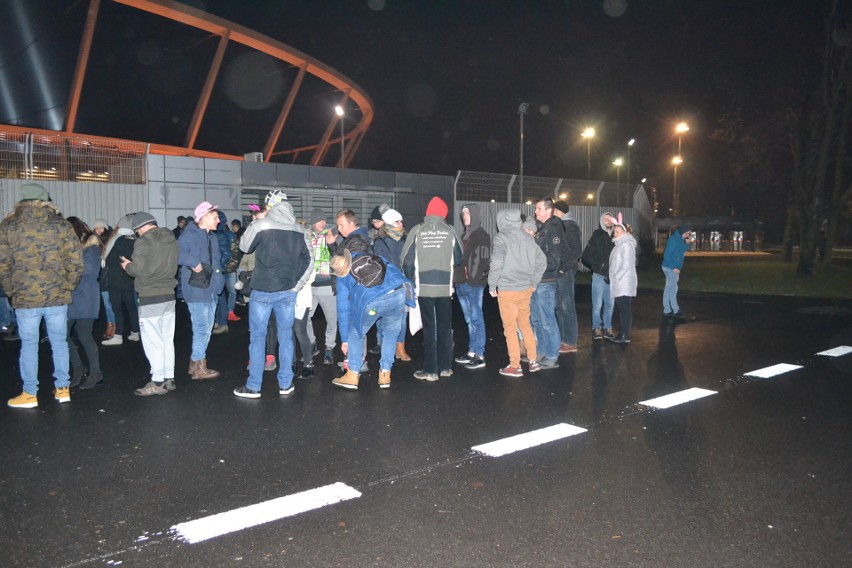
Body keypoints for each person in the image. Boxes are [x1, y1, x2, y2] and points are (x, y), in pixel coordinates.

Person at [0, 183, 82, 408]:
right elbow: (75, 260)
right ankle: (63, 389)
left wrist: (10, 290)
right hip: (57, 295)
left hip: (25, 298)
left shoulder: (8, 226)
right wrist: (68, 285)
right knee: (59, 342)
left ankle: (30, 394)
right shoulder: (61, 225)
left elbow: (3, 263)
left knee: (29, 344)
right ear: (45, 200)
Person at [233, 192, 313, 399]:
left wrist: (255, 222)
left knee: (258, 338)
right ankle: (285, 384)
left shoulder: (262, 225)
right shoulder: (300, 229)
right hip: (287, 292)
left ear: (269, 206)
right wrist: (296, 286)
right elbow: (308, 262)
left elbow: (243, 246)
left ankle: (254, 387)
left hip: (262, 291)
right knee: (286, 337)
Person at [330, 249, 414, 390]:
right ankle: (385, 375)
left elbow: (343, 309)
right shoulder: (369, 256)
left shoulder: (342, 278)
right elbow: (393, 269)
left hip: (373, 302)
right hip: (398, 293)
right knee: (390, 333)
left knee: (356, 333)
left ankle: (352, 375)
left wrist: (345, 340)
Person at [401, 196, 462, 381]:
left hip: (424, 288)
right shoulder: (451, 230)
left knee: (429, 328)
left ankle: (430, 371)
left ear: (428, 212)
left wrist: (412, 281)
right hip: (444, 288)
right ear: (444, 213)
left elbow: (406, 261)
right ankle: (445, 368)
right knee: (444, 327)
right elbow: (459, 258)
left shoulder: (417, 230)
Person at [121, 212, 180, 395]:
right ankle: (169, 378)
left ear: (140, 228)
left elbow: (136, 269)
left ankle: (157, 382)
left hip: (149, 297)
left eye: (137, 230)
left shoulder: (143, 241)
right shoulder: (171, 239)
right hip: (169, 295)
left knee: (153, 342)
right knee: (167, 340)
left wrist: (127, 266)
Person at [488, 209, 546, 377]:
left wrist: (492, 285)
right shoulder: (528, 238)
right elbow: (541, 261)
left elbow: (497, 261)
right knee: (525, 325)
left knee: (510, 328)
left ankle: (515, 365)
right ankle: (533, 361)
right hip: (525, 289)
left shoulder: (502, 237)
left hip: (507, 290)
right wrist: (534, 281)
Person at [178, 201, 224, 380]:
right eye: (215, 217)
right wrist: (193, 262)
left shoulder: (212, 237)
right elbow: (177, 254)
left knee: (206, 328)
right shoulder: (189, 235)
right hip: (197, 289)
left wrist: (219, 283)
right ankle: (198, 366)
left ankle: (194, 363)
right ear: (204, 217)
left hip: (211, 289)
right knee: (202, 329)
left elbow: (216, 263)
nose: (218, 220)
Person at [65, 217, 103, 390]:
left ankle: (95, 373)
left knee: (85, 335)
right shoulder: (70, 247)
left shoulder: (91, 245)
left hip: (86, 296)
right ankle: (79, 368)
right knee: (62, 336)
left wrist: (69, 267)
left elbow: (91, 271)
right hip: (72, 296)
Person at [453, 203, 490, 370]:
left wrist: (473, 281)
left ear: (474, 214)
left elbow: (483, 261)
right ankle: (472, 351)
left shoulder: (481, 235)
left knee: (476, 319)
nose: (464, 216)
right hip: (461, 283)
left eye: (467, 213)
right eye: (463, 213)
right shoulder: (464, 235)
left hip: (472, 285)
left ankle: (480, 355)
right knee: (469, 320)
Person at [373, 208, 411, 361]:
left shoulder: (406, 239)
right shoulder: (380, 241)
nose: (401, 224)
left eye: (401, 221)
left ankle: (400, 348)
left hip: (403, 284)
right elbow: (378, 264)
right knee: (386, 319)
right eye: (397, 221)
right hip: (387, 286)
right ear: (388, 223)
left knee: (402, 319)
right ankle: (386, 348)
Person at [530, 197, 563, 370]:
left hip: (546, 282)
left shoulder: (553, 230)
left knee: (547, 320)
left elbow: (553, 261)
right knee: (536, 319)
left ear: (548, 210)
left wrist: (534, 265)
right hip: (537, 282)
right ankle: (541, 351)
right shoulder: (542, 229)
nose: (535, 212)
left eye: (538, 209)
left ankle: (552, 355)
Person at [306, 208, 338, 366]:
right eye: (319, 220)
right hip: (309, 286)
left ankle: (329, 348)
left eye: (324, 220)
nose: (323, 223)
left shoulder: (331, 234)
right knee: (304, 317)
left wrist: (333, 244)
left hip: (327, 285)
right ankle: (312, 344)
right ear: (313, 221)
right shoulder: (306, 235)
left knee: (332, 320)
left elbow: (339, 257)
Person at [102, 214, 140, 346]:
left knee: (117, 308)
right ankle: (135, 332)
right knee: (131, 306)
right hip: (129, 278)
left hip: (116, 279)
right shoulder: (134, 239)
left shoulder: (117, 239)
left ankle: (118, 335)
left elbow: (109, 259)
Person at [552, 200, 582, 353]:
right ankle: (563, 339)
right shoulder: (561, 225)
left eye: (553, 210)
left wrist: (563, 269)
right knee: (559, 307)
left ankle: (570, 341)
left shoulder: (570, 226)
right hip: (559, 271)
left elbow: (575, 251)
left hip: (566, 272)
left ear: (559, 211)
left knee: (566, 306)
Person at [581, 212, 616, 340]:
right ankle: (596, 328)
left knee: (610, 304)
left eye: (610, 219)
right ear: (601, 221)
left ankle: (608, 328)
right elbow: (585, 255)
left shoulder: (616, 235)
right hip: (599, 276)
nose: (608, 221)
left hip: (612, 277)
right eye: (605, 219)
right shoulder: (597, 235)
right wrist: (598, 265)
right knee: (597, 304)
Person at [608, 220, 638, 343]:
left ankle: (624, 334)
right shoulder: (620, 244)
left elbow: (626, 265)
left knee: (624, 308)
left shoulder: (625, 245)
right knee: (623, 308)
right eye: (614, 231)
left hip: (623, 283)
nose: (614, 234)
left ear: (624, 232)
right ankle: (623, 333)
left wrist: (616, 277)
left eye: (617, 231)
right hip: (620, 282)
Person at [662, 226, 693, 318]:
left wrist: (686, 244)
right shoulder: (673, 240)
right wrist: (673, 267)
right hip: (669, 267)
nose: (688, 235)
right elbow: (666, 255)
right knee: (671, 289)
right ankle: (671, 309)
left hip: (674, 268)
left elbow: (681, 251)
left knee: (672, 288)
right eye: (687, 233)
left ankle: (671, 309)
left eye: (689, 234)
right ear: (683, 232)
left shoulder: (679, 239)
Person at [212, 211, 235, 334]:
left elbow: (226, 253)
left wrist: (218, 267)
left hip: (217, 271)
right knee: (219, 296)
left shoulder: (219, 235)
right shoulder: (217, 234)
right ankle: (219, 321)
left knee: (220, 297)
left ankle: (222, 323)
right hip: (217, 270)